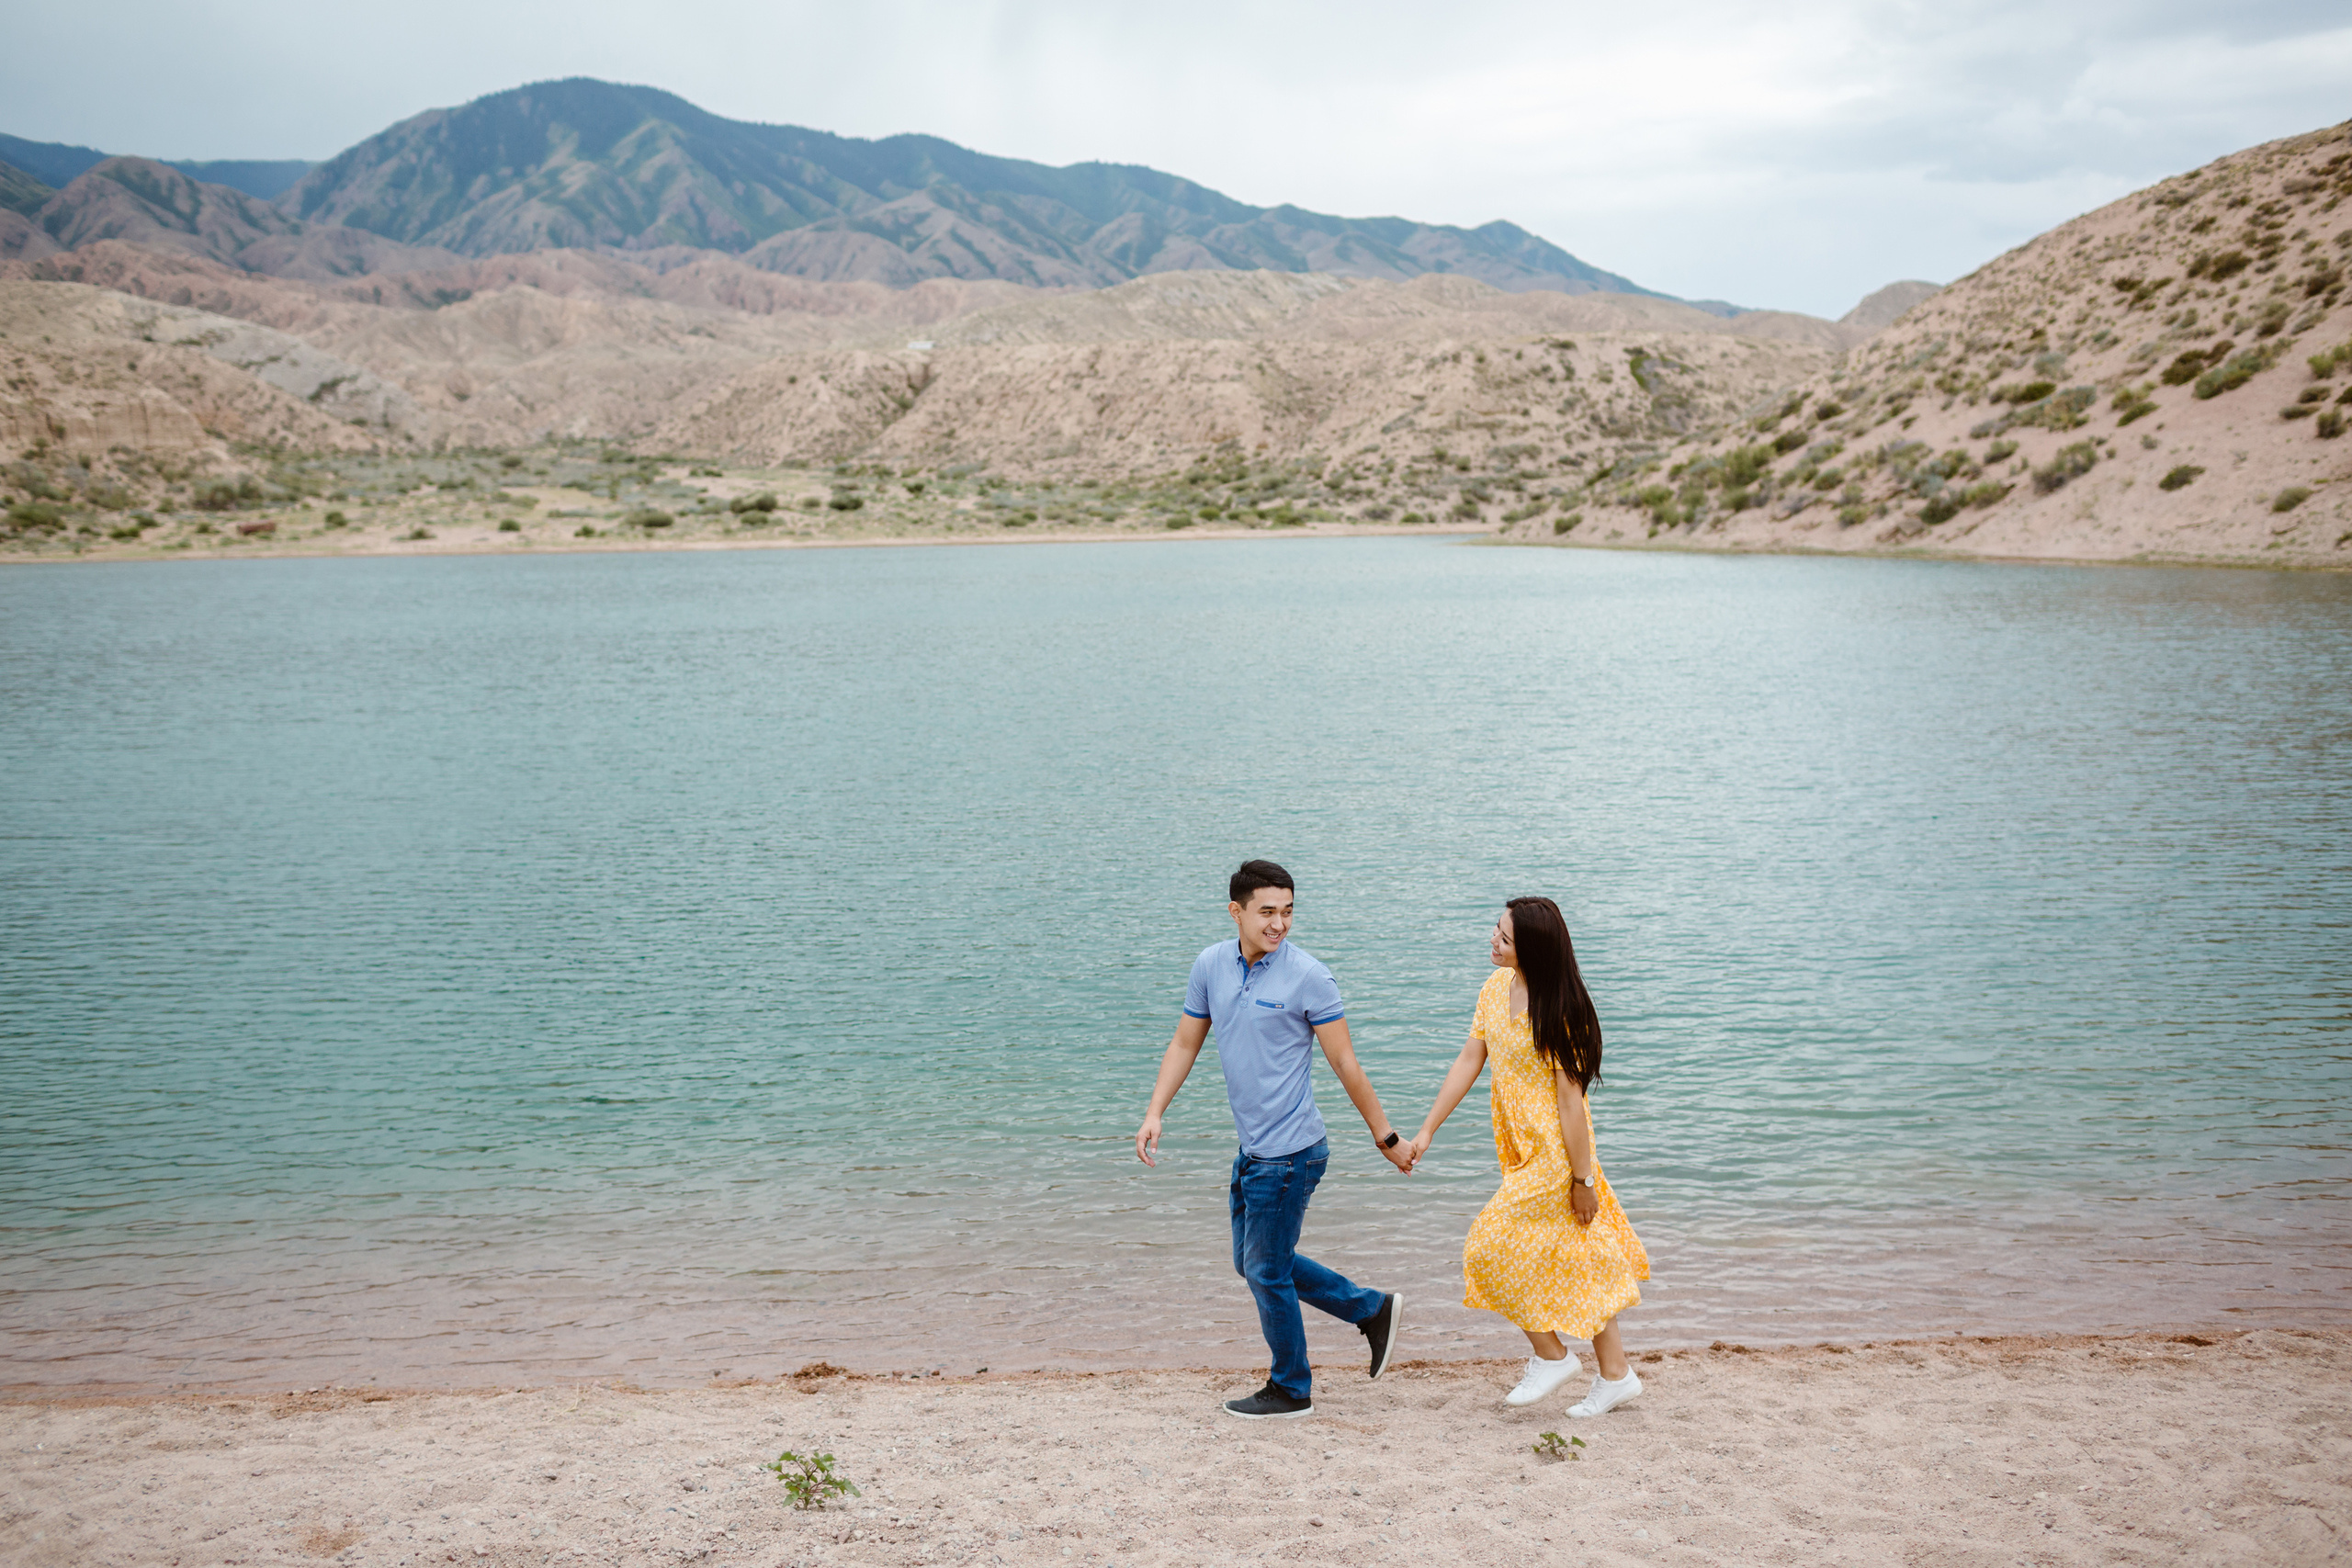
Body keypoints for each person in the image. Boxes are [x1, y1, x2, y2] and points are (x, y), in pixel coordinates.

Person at [1135, 859, 1414, 1419]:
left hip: (1291, 1153)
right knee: (1256, 1263)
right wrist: (1155, 1111)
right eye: (1267, 912)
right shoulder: (1211, 965)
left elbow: (1345, 1063)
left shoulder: (1310, 976)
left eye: (1288, 912)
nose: (1279, 924)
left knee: (1265, 1270)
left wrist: (1387, 1139)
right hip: (1254, 1150)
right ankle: (1370, 1309)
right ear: (1235, 912)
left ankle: (1291, 1388)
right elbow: (1185, 1043)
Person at [1406, 896, 1648, 1416]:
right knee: (1580, 1258)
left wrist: (1582, 1180)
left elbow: (1571, 1105)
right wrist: (1428, 1130)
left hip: (1557, 1154)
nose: (1493, 941)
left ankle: (1553, 1356)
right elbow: (1470, 1059)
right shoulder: (1495, 988)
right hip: (1519, 1148)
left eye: (1505, 938)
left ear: (1533, 950)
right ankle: (1616, 1376)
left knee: (1485, 1246)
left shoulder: (1561, 1010)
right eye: (1495, 929)